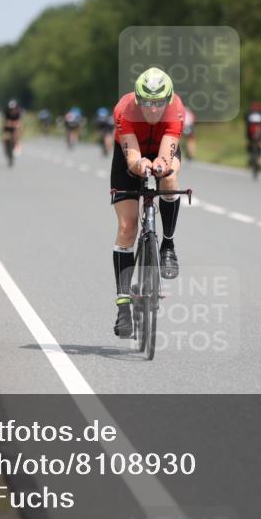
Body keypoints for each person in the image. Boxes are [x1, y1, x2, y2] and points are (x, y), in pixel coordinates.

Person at [111, 67, 185, 337]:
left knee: (170, 178)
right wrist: (139, 164)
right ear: (138, 99)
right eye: (147, 102)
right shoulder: (124, 110)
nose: (153, 109)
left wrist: (161, 166)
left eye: (159, 102)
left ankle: (168, 245)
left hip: (161, 147)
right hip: (130, 153)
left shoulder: (176, 110)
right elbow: (131, 158)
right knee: (127, 227)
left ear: (168, 99)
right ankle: (123, 306)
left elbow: (166, 154)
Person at [245, 101, 261, 169]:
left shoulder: (249, 113)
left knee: (249, 143)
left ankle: (249, 157)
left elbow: (247, 126)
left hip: (250, 133)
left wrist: (247, 137)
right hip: (260, 132)